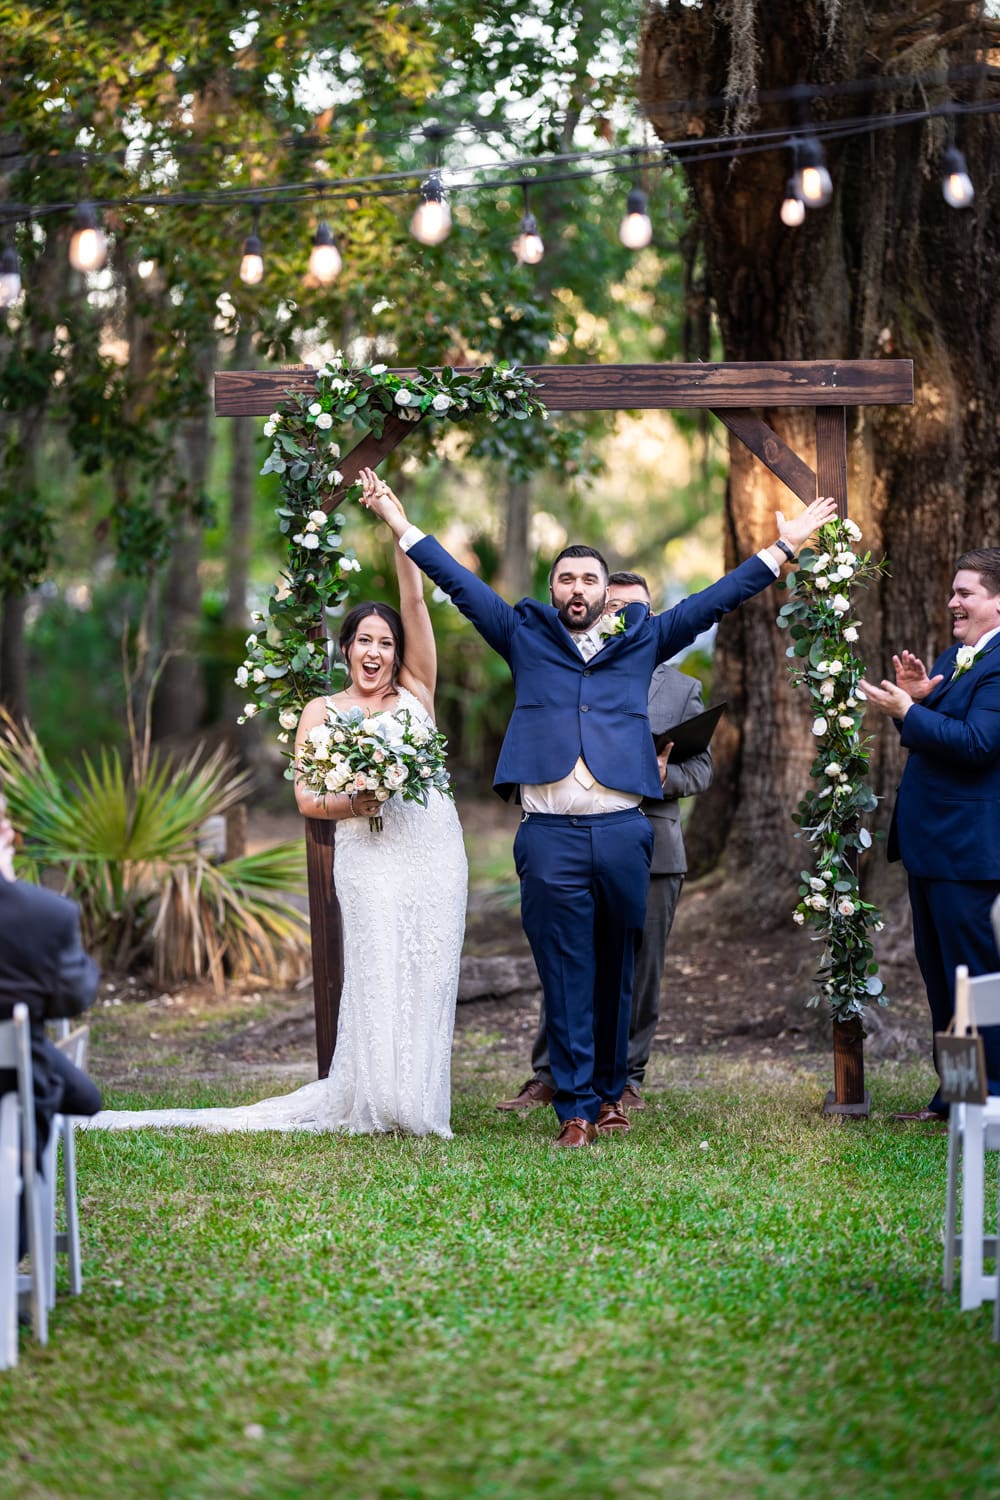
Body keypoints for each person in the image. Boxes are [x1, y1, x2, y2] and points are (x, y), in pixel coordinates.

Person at [360, 474, 836, 1147]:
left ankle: (613, 1090)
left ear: (605, 593)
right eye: (566, 579)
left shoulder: (641, 642)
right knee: (563, 969)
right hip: (549, 834)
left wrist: (780, 550)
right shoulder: (523, 635)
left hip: (622, 830)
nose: (577, 589)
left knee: (619, 965)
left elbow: (710, 603)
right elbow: (461, 586)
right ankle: (576, 1107)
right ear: (554, 591)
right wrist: (400, 525)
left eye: (588, 579)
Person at [89, 486, 467, 1138]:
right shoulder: (322, 713)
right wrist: (355, 799)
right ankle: (376, 1101)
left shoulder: (417, 692)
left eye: (385, 642)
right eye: (363, 640)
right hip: (368, 853)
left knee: (427, 970)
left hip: (432, 850)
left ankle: (420, 1103)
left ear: (398, 652)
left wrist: (396, 524)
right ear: (346, 648)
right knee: (378, 965)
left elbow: (413, 602)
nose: (375, 651)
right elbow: (305, 798)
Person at [497, 569, 713, 1114]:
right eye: (611, 606)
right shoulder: (563, 666)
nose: (617, 617)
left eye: (630, 609)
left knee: (635, 971)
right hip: (566, 833)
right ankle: (555, 1075)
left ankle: (624, 1081)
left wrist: (660, 776)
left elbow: (701, 768)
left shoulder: (680, 687)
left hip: (649, 839)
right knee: (567, 959)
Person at [861, 548, 1000, 1120]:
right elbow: (945, 728)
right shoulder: (958, 656)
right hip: (933, 850)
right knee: (943, 982)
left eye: (966, 592)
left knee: (975, 981)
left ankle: (986, 1098)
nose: (952, 602)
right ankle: (956, 1094)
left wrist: (910, 713)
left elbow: (978, 744)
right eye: (953, 591)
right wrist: (920, 699)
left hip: (970, 853)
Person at [0, 790, 102, 1253]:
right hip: (10, 1085)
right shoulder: (42, 915)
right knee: (72, 1095)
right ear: (6, 835)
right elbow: (73, 997)